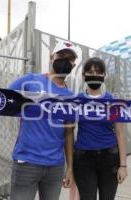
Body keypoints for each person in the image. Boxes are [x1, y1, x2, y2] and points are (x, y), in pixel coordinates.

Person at [8, 40, 78, 200]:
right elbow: (0, 98)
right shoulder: (29, 81)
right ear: (52, 56)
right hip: (26, 161)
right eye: (61, 55)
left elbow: (69, 132)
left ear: (73, 64)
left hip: (55, 165)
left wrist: (69, 168)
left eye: (70, 59)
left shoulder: (70, 96)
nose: (65, 61)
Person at [72, 57, 128, 200]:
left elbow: (120, 133)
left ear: (104, 75)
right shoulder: (77, 101)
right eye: (90, 71)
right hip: (84, 158)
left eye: (98, 72)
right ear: (84, 75)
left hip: (109, 157)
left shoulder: (112, 101)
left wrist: (123, 165)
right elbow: (69, 132)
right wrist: (69, 166)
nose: (94, 74)